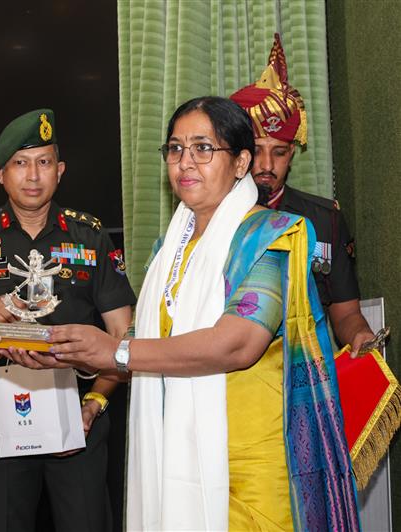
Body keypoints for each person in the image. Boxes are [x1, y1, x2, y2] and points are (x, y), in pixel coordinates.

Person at [23, 97, 360, 530]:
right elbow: (153, 347)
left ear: (240, 163)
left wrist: (115, 353)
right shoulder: (170, 251)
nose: (186, 162)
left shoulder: (269, 238)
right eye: (175, 149)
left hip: (250, 469)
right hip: (176, 456)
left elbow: (237, 343)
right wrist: (76, 358)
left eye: (203, 148)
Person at [0, 108, 136, 532]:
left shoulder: (90, 236)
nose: (33, 175)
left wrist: (96, 403)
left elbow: (124, 336)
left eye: (44, 162)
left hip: (80, 410)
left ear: (60, 170)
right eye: (20, 163)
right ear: (0, 174)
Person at [230, 33, 374, 356]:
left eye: (279, 152)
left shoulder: (325, 220)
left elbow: (346, 312)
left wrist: (362, 336)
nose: (267, 165)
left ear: (293, 153)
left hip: (308, 375)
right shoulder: (215, 219)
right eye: (257, 151)